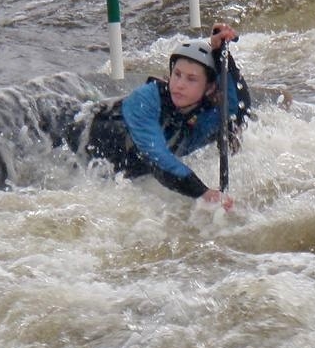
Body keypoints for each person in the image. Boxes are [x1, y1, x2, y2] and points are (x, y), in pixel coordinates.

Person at [72, 23, 251, 211]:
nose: (180, 84)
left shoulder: (203, 116)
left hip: (117, 173)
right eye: (177, 74)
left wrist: (221, 54)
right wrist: (203, 192)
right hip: (69, 142)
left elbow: (238, 108)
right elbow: (158, 159)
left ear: (210, 88)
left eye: (191, 79)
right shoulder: (145, 100)